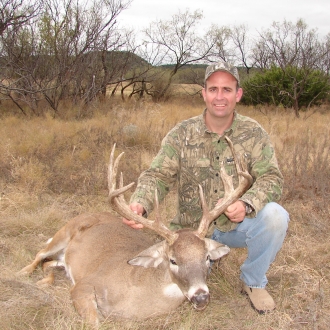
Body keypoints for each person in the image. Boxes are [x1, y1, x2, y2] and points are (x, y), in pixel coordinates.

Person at [122, 61, 289, 314]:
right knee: (170, 288)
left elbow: (272, 178)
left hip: (234, 227)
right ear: (204, 93)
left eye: (226, 89)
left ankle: (253, 281)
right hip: (190, 235)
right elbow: (158, 175)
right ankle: (204, 263)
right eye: (213, 89)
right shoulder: (182, 133)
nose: (219, 97)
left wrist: (247, 203)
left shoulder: (253, 133)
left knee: (276, 216)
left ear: (238, 94)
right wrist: (141, 202)